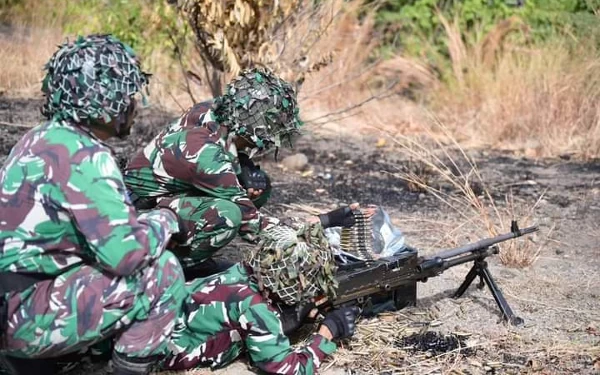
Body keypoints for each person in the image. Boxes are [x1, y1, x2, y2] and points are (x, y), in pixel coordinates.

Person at [0, 34, 187, 375]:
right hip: (23, 319)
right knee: (163, 273)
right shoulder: (87, 157)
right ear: (106, 104)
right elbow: (125, 256)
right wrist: (167, 220)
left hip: (11, 302)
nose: (133, 104)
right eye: (127, 95)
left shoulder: (38, 138)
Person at [123, 67, 301, 274]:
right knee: (228, 214)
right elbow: (250, 222)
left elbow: (227, 148)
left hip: (169, 191)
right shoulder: (207, 154)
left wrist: (243, 166)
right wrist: (315, 227)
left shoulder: (216, 110)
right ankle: (175, 268)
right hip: (139, 212)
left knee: (258, 183)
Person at [162, 206, 361, 374]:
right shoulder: (256, 310)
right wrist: (328, 331)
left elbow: (289, 242)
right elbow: (289, 368)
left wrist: (324, 220)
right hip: (163, 350)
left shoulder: (241, 270)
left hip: (160, 316)